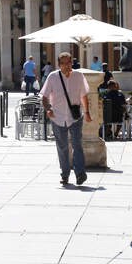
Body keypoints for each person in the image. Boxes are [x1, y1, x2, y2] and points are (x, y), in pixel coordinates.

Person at [40, 52, 91, 185]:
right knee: (62, 147)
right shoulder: (53, 77)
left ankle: (80, 174)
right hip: (57, 116)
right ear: (59, 64)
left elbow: (84, 95)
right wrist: (48, 109)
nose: (67, 65)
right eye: (64, 63)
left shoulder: (79, 76)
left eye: (69, 62)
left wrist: (87, 112)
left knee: (77, 145)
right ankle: (65, 174)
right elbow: (44, 97)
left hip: (75, 117)